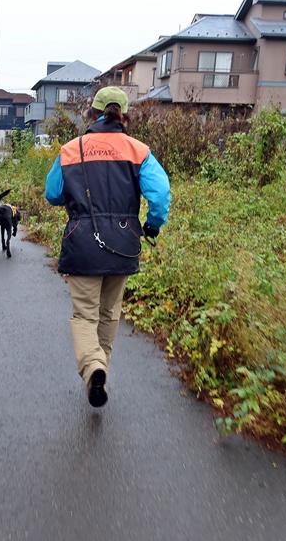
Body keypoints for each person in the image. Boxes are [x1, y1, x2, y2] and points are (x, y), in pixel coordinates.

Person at [44, 86, 171, 408]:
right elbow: (159, 194)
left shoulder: (71, 149)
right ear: (124, 115)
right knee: (109, 313)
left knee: (84, 316)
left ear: (92, 114)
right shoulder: (139, 151)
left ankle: (93, 367)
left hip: (82, 242)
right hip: (124, 243)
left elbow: (53, 194)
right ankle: (99, 371)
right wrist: (152, 225)